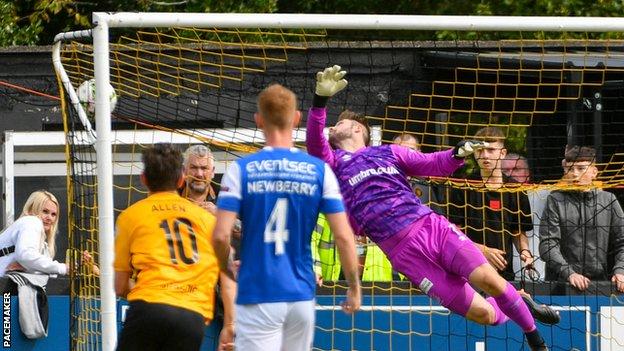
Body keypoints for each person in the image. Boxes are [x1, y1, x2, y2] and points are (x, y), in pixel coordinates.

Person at [306, 65, 559, 351]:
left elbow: (432, 163)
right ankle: (518, 300)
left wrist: (455, 154)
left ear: (356, 129)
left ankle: (536, 340)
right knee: (484, 314)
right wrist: (319, 100)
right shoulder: (334, 163)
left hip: (431, 228)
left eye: (338, 123)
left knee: (491, 281)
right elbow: (314, 142)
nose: (331, 128)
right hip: (404, 255)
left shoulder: (388, 152)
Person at [212, 83, 361, 351]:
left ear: (258, 120)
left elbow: (221, 235)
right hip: (300, 294)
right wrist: (353, 286)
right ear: (296, 118)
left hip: (258, 290)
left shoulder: (241, 169)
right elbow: (343, 236)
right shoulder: (319, 170)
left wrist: (227, 268)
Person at [114, 144, 220, 351]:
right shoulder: (206, 219)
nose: (199, 174)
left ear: (143, 178)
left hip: (148, 307)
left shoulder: (131, 216)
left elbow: (120, 286)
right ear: (182, 178)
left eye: (204, 169)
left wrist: (151, 290)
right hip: (191, 315)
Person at [447, 127, 535, 281]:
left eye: (491, 150)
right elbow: (454, 234)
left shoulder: (516, 189)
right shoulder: (462, 186)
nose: (485, 156)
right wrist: (483, 251)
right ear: (474, 153)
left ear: (502, 153)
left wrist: (525, 253)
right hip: (468, 273)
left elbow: (518, 231)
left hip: (503, 272)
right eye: (480, 150)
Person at [539, 145, 624, 292]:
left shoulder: (609, 200)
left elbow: (622, 241)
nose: (575, 174)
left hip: (601, 285)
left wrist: (620, 270)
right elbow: (547, 244)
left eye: (581, 168)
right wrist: (569, 273)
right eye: (570, 169)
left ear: (594, 172)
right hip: (561, 285)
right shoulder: (555, 200)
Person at [180, 144, 236, 351]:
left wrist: (220, 216)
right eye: (194, 168)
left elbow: (250, 232)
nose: (199, 174)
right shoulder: (171, 199)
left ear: (213, 172)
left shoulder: (227, 197)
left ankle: (232, 327)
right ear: (185, 171)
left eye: (204, 169)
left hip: (219, 277)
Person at [0, 190, 68, 276]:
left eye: (53, 214)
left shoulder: (43, 244)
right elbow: (26, 255)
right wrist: (63, 268)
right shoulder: (32, 221)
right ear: (32, 209)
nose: (49, 218)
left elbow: (50, 275)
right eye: (45, 211)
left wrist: (77, 265)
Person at [393, 133, 445, 214]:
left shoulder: (425, 183)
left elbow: (436, 214)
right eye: (400, 150)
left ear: (419, 153)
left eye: (411, 150)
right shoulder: (383, 180)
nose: (405, 155)